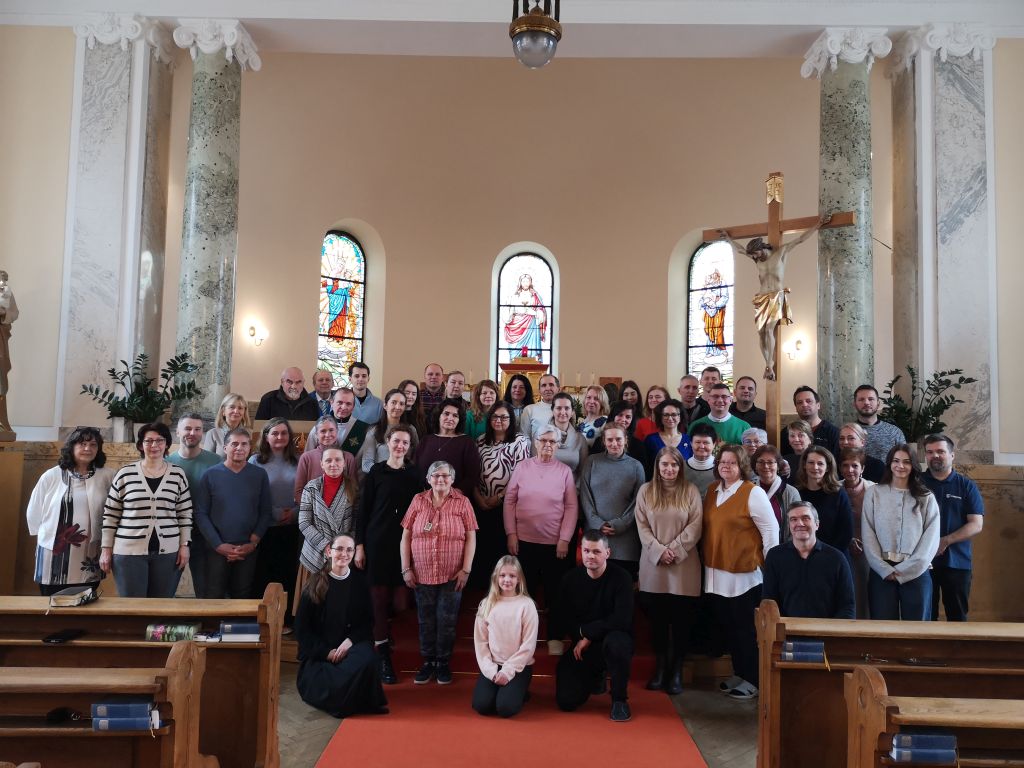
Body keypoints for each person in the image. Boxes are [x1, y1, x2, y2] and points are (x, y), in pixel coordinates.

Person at [702, 444, 778, 699]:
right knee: (729, 627)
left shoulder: (752, 493)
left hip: (744, 574)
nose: (726, 466)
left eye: (732, 462)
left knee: (746, 629)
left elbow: (771, 531)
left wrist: (772, 568)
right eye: (722, 461)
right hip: (716, 571)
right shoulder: (712, 490)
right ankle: (739, 672)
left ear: (742, 466)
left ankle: (754, 679)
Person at [718, 214, 831, 379]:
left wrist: (818, 225)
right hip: (762, 298)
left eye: (755, 253)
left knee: (769, 329)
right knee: (760, 332)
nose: (754, 257)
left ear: (761, 248)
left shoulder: (781, 252)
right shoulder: (757, 260)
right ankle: (767, 363)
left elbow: (800, 239)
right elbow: (740, 250)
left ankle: (769, 365)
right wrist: (728, 239)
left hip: (776, 296)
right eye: (753, 255)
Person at [293, 534, 389, 718]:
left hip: (350, 647)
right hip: (321, 652)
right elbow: (302, 630)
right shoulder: (314, 584)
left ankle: (345, 696)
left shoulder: (360, 583)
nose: (344, 554)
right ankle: (345, 697)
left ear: (353, 553)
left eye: (349, 550)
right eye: (339, 549)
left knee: (369, 661)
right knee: (329, 678)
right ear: (329, 551)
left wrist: (349, 642)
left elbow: (367, 622)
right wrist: (326, 653)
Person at [400, 461, 478, 685]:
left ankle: (443, 663)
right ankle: (428, 662)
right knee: (425, 621)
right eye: (435, 475)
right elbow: (405, 537)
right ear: (428, 479)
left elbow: (471, 538)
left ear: (452, 479)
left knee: (447, 621)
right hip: (422, 573)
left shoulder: (462, 502)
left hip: (452, 575)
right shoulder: (418, 500)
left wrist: (466, 570)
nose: (440, 479)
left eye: (445, 476)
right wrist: (406, 568)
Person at [504, 424, 578, 656]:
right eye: (543, 440)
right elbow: (509, 501)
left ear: (558, 445)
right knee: (523, 593)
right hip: (523, 542)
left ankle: (554, 636)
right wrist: (511, 533)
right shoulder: (522, 467)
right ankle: (524, 638)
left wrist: (565, 538)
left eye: (552, 442)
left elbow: (571, 506)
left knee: (556, 594)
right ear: (535, 443)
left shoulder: (564, 471)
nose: (547, 445)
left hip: (555, 545)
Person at [356, 425, 423, 684]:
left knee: (400, 603)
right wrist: (360, 545)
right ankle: (383, 653)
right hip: (377, 542)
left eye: (405, 442)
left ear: (409, 447)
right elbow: (364, 510)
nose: (400, 446)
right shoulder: (376, 471)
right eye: (396, 441)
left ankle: (384, 631)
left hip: (405, 545)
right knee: (378, 600)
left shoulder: (415, 474)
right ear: (387, 442)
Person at [635, 447, 703, 694]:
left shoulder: (690, 490)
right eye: (664, 464)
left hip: (684, 565)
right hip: (654, 565)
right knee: (658, 622)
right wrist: (659, 551)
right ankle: (661, 668)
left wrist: (674, 550)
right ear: (657, 466)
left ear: (680, 467)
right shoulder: (646, 491)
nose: (669, 469)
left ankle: (676, 672)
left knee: (682, 622)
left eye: (674, 465)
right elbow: (642, 525)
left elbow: (696, 525)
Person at [101, 422, 192, 598]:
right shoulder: (125, 474)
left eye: (159, 440)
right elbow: (111, 514)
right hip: (128, 554)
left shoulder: (177, 474)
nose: (154, 445)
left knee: (161, 607)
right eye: (148, 441)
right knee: (132, 607)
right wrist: (106, 549)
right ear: (141, 445)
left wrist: (184, 545)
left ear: (166, 444)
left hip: (168, 553)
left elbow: (185, 513)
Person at [555, 530, 635, 722]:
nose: (590, 556)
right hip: (582, 644)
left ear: (607, 552)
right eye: (586, 551)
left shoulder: (622, 577)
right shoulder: (571, 578)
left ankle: (619, 700)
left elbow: (622, 619)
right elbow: (564, 617)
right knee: (566, 701)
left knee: (616, 643)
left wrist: (588, 633)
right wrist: (581, 635)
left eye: (596, 551)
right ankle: (595, 677)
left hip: (613, 639)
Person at [26, 426, 114, 595]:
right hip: (54, 550)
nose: (88, 448)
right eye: (82, 444)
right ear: (71, 447)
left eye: (93, 445)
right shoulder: (52, 475)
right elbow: (34, 509)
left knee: (86, 598)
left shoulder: (107, 476)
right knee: (52, 598)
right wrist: (42, 536)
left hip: (89, 551)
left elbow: (114, 510)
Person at [862, 445, 941, 621]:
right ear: (889, 464)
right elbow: (868, 533)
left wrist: (907, 569)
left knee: (917, 629)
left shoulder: (926, 497)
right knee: (882, 627)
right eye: (896, 461)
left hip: (917, 571)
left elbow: (931, 539)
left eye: (906, 462)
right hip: (881, 572)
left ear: (913, 466)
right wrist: (884, 569)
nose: (900, 466)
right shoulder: (874, 493)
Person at [194, 428, 272, 599]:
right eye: (234, 444)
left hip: (247, 548)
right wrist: (218, 544)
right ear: (225, 448)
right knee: (214, 594)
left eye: (244, 444)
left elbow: (266, 511)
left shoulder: (259, 475)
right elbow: (201, 513)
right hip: (216, 548)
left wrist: (253, 542)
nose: (239, 448)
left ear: (250, 448)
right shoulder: (210, 475)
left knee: (242, 594)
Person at [922, 434, 984, 622]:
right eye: (930, 452)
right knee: (925, 617)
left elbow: (976, 524)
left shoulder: (966, 485)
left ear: (952, 455)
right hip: (921, 561)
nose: (935, 456)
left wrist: (945, 541)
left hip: (957, 562)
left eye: (940, 451)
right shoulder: (916, 483)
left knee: (957, 618)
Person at [762, 501, 856, 619]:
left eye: (805, 518)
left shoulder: (836, 559)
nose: (800, 523)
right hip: (786, 629)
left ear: (817, 524)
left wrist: (834, 630)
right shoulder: (775, 557)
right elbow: (769, 603)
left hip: (827, 629)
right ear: (789, 526)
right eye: (793, 519)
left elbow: (847, 606)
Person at [472, 556, 539, 718]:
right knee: (482, 705)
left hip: (518, 667)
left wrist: (507, 672)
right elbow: (480, 643)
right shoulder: (486, 604)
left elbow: (528, 646)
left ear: (519, 579)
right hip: (493, 665)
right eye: (502, 575)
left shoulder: (527, 605)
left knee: (505, 708)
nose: (507, 580)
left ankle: (520, 691)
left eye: (512, 576)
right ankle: (500, 690)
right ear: (496, 577)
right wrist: (491, 671)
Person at [473, 402, 531, 589]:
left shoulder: (520, 441)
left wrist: (499, 497)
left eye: (504, 417)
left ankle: (504, 588)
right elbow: (473, 471)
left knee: (502, 548)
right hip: (481, 503)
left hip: (508, 505)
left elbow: (521, 475)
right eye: (495, 416)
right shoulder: (480, 440)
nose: (499, 420)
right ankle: (485, 590)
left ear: (511, 420)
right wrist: (478, 497)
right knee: (484, 549)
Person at [249, 418, 301, 623]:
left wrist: (295, 513)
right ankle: (263, 620)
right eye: (275, 433)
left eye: (284, 433)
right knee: (264, 575)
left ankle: (285, 619)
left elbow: (306, 491)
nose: (280, 437)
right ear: (266, 436)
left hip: (292, 527)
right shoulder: (255, 461)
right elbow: (252, 494)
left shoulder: (299, 460)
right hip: (265, 527)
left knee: (287, 574)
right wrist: (275, 513)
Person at [167, 413, 223, 599]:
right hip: (173, 534)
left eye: (197, 429)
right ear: (177, 432)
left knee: (205, 591)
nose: (192, 433)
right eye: (188, 428)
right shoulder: (167, 463)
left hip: (205, 534)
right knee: (165, 590)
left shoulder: (215, 461)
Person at [580, 425, 646, 579]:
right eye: (610, 440)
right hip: (595, 537)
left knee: (622, 585)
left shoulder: (636, 466)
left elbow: (639, 501)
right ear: (604, 441)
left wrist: (620, 524)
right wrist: (597, 524)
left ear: (626, 440)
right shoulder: (591, 462)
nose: (614, 443)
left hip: (625, 540)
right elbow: (585, 496)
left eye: (618, 439)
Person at [297, 446, 359, 611]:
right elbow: (304, 522)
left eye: (338, 460)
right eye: (328, 460)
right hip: (314, 551)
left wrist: (342, 548)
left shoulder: (353, 488)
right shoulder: (311, 487)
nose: (333, 464)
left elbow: (356, 522)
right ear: (321, 464)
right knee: (311, 604)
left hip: (342, 555)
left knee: (337, 605)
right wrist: (325, 545)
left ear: (344, 463)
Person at [414, 397, 481, 498]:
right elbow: (416, 470)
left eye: (455, 415)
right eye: (446, 414)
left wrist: (452, 495)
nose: (450, 418)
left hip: (455, 500)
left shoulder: (467, 443)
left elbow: (472, 475)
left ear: (459, 420)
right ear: (438, 416)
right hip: (425, 499)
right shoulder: (426, 440)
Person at [795, 446, 853, 553]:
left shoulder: (838, 494)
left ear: (827, 468)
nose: (815, 467)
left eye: (820, 463)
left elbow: (846, 532)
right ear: (804, 465)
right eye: (811, 462)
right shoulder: (796, 492)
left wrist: (826, 556)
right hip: (801, 554)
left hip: (834, 555)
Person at [839, 446, 875, 618]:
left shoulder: (874, 490)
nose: (850, 470)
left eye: (854, 465)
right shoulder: (834, 488)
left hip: (869, 552)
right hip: (842, 550)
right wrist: (848, 540)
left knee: (865, 598)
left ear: (862, 468)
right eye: (845, 465)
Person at [357, 388, 418, 475]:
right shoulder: (374, 431)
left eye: (401, 404)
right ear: (385, 405)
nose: (397, 407)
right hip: (381, 478)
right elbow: (366, 464)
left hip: (405, 477)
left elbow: (417, 458)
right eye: (393, 402)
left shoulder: (411, 430)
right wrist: (386, 472)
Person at [753, 444, 801, 535]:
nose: (766, 466)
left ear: (778, 465)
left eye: (770, 462)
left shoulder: (791, 492)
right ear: (755, 465)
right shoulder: (747, 490)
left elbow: (797, 524)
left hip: (782, 543)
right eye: (761, 462)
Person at [591, 400, 650, 475]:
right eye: (620, 415)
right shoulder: (599, 442)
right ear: (613, 416)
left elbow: (643, 472)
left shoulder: (638, 445)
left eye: (628, 417)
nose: (623, 420)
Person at [305, 389, 369, 455]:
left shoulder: (363, 429)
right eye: (340, 402)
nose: (343, 407)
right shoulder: (319, 427)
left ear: (353, 407)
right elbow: (308, 455)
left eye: (348, 404)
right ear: (331, 402)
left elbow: (366, 457)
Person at [853, 384, 905, 461]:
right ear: (854, 404)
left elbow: (904, 461)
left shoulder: (894, 432)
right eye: (861, 399)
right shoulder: (847, 433)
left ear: (878, 404)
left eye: (871, 399)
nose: (866, 402)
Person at [785, 386, 840, 458]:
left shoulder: (833, 433)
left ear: (818, 405)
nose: (804, 405)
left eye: (808, 401)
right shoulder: (786, 432)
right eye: (799, 402)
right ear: (796, 408)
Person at [503, 273, 547, 359]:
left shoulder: (535, 296)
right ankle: (514, 360)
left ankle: (532, 359)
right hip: (516, 324)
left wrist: (536, 313)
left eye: (527, 281)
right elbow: (508, 310)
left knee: (531, 351)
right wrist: (511, 313)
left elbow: (541, 309)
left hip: (531, 324)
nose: (525, 283)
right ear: (520, 282)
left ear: (530, 282)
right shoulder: (513, 296)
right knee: (514, 351)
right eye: (523, 281)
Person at [549, 391, 589, 480]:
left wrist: (575, 488)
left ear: (572, 412)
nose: (563, 412)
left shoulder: (580, 439)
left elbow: (583, 471)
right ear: (552, 411)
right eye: (558, 408)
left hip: (573, 486)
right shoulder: (541, 437)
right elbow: (536, 468)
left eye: (567, 408)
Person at [256, 367, 321, 421]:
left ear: (303, 383)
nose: (293, 386)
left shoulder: (312, 403)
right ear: (282, 382)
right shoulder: (268, 400)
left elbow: (316, 430)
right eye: (289, 381)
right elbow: (259, 429)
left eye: (298, 382)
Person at [0, 269, 18, 433]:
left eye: (4, 280)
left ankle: (1, 422)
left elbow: (14, 312)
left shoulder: (6, 294)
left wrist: (4, 312)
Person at [519, 373, 560, 441]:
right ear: (539, 390)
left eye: (551, 385)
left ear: (558, 389)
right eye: (544, 385)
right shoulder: (529, 409)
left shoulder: (565, 410)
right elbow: (525, 437)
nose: (547, 388)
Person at [684, 423, 718, 497]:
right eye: (698, 442)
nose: (702, 446)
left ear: (714, 444)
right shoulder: (682, 467)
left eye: (706, 443)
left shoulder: (720, 468)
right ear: (691, 443)